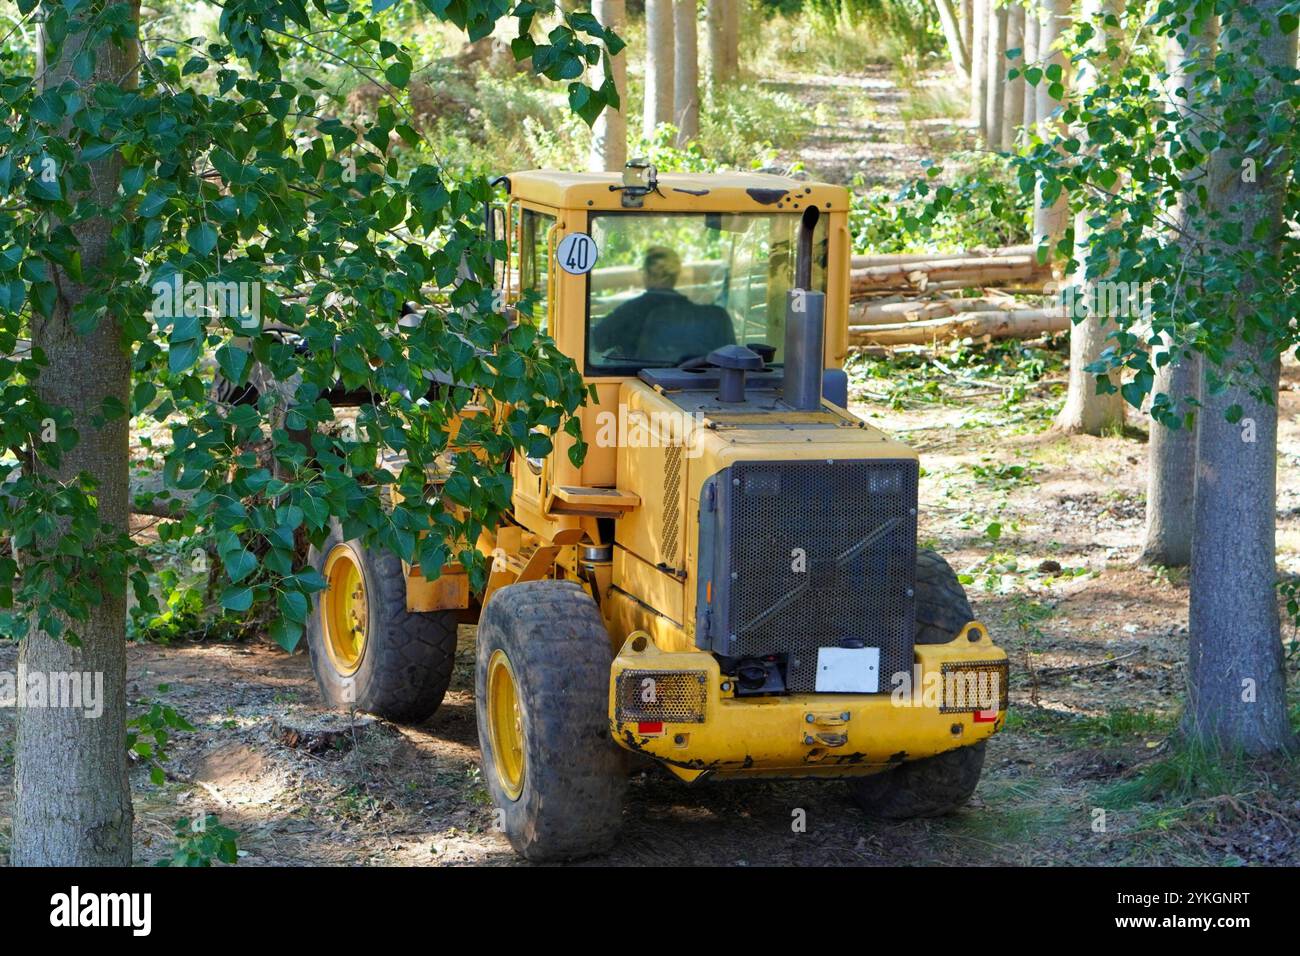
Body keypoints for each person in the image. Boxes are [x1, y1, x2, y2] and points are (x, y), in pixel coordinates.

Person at [590, 246, 691, 355]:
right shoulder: (695, 314)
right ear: (676, 275)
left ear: (647, 275)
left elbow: (597, 340)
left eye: (643, 271)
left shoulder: (630, 311)